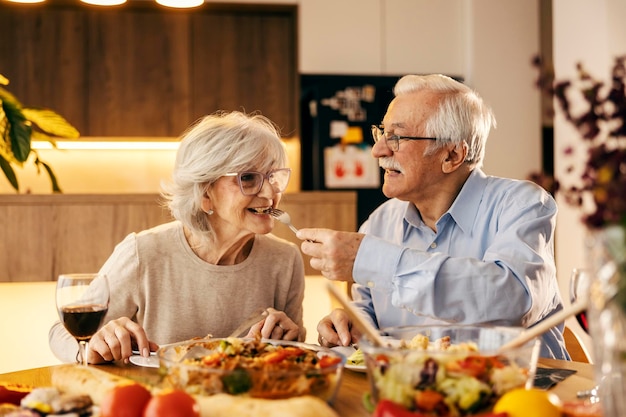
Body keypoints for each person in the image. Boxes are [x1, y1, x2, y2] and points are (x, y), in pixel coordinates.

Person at [298, 74, 569, 360]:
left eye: (397, 137)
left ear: (452, 155)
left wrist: (373, 261)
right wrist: (349, 325)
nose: (378, 151)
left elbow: (513, 301)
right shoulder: (379, 222)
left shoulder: (522, 205)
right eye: (381, 133)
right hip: (417, 397)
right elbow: (368, 318)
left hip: (522, 395)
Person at [49, 111, 306, 364]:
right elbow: (60, 332)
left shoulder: (285, 260)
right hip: (160, 399)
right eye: (248, 178)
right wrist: (93, 345)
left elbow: (296, 358)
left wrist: (291, 341)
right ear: (205, 193)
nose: (271, 191)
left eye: (274, 176)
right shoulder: (144, 253)